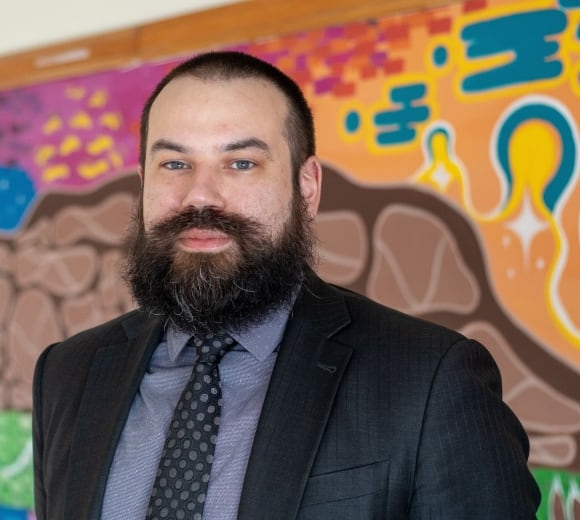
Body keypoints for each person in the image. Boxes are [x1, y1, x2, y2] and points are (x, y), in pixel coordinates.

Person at [32, 51, 540, 519]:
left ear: (307, 188)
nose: (200, 195)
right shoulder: (68, 373)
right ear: (144, 184)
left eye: (241, 163)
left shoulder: (431, 381)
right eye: (175, 164)